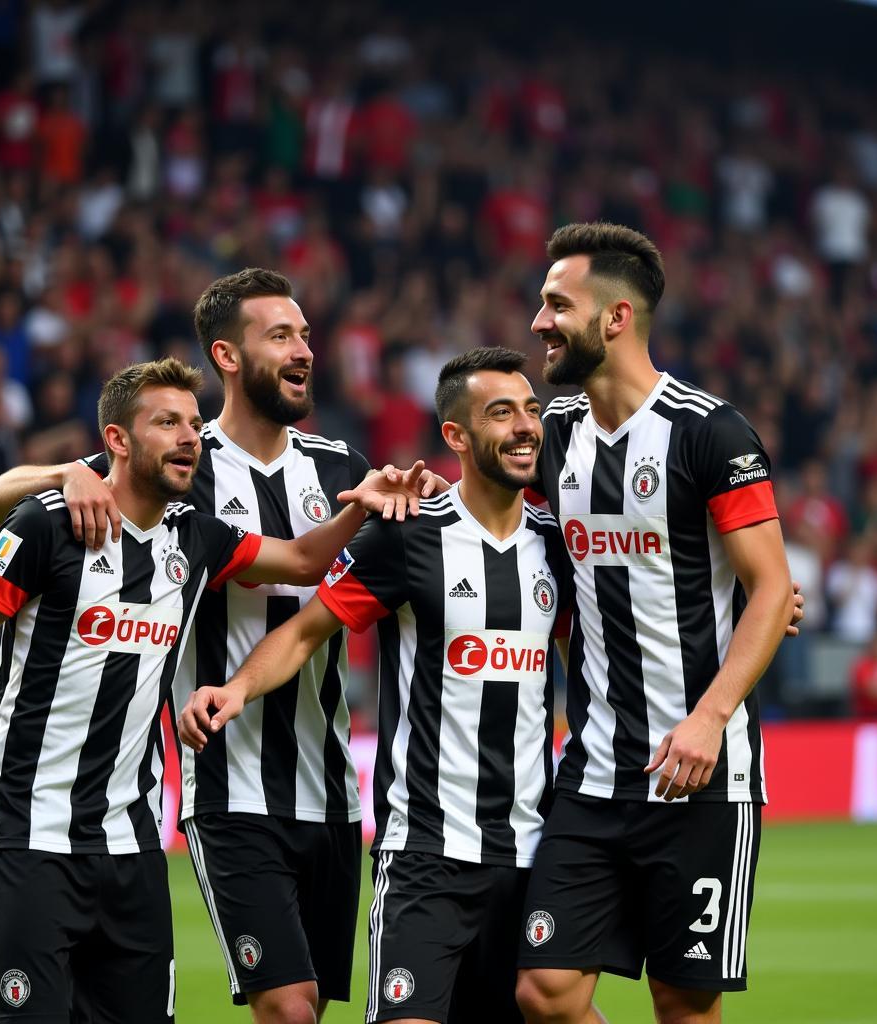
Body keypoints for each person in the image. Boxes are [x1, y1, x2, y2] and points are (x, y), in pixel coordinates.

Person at [0, 357, 420, 1024]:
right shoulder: (48, 524)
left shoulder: (196, 539)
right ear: (116, 440)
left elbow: (305, 561)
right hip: (28, 835)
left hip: (132, 843)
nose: (188, 438)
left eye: (194, 424)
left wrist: (363, 503)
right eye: (166, 423)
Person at [179, 347, 581, 1024]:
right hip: (425, 851)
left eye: (532, 411)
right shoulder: (407, 536)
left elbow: (617, 637)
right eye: (501, 412)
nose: (525, 427)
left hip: (531, 851)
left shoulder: (558, 545)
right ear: (454, 436)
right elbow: (306, 632)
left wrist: (763, 605)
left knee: (549, 1010)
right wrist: (237, 688)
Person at [516, 222, 795, 1024]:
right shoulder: (554, 435)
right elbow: (497, 532)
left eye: (555, 304)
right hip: (595, 770)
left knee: (683, 1005)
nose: (538, 322)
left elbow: (771, 589)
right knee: (544, 992)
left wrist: (709, 719)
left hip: (704, 774)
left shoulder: (710, 431)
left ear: (616, 318)